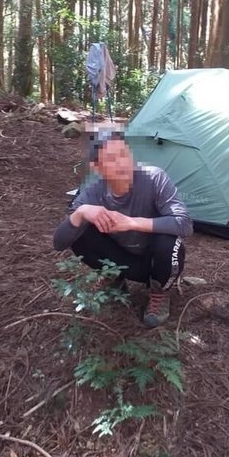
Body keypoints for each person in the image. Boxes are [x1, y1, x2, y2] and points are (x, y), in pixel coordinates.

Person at [53, 129, 193, 327]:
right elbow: (59, 243)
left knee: (168, 239)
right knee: (80, 233)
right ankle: (114, 276)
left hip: (157, 261)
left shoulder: (154, 178)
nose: (122, 163)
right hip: (123, 259)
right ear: (96, 167)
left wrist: (130, 222)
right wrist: (81, 212)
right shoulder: (93, 194)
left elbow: (185, 224)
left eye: (124, 154)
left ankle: (159, 291)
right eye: (111, 158)